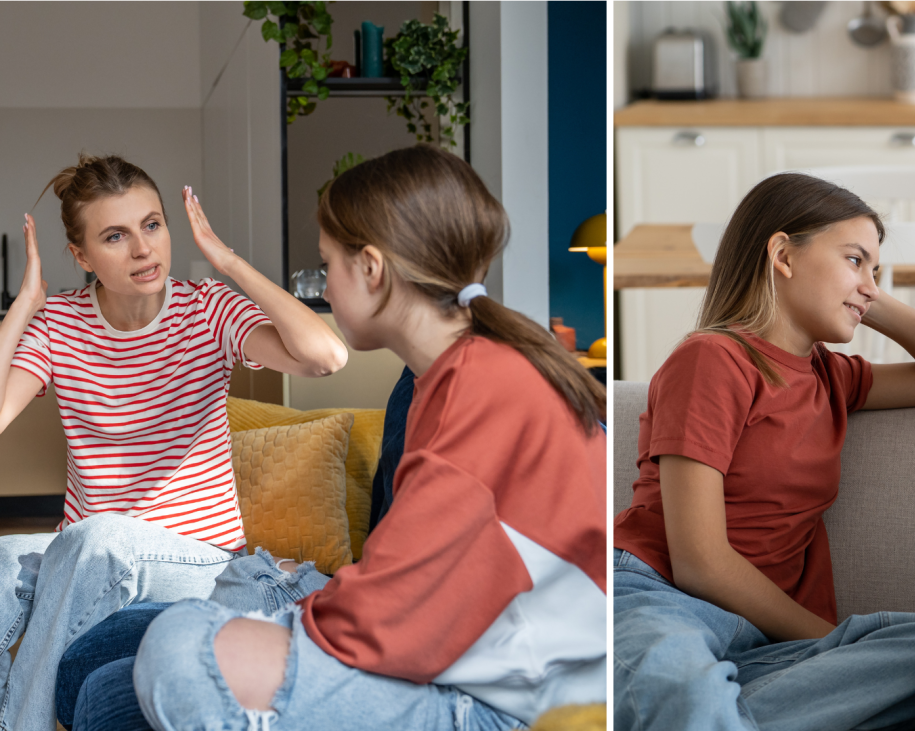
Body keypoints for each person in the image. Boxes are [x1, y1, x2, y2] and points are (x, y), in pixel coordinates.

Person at [131, 145, 608, 730]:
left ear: (373, 269)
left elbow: (391, 614)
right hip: (465, 652)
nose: (325, 288)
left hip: (504, 700)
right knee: (203, 612)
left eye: (327, 264)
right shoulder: (452, 374)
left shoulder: (483, 388)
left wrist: (282, 626)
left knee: (178, 645)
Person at [612, 172, 915, 731]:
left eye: (876, 268)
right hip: (661, 599)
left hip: (763, 646)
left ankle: (723, 709)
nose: (869, 281)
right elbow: (699, 562)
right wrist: (829, 640)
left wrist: (868, 295)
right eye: (854, 259)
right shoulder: (712, 360)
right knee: (677, 679)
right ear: (783, 254)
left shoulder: (832, 378)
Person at [0, 154, 347, 731]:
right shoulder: (58, 325)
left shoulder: (207, 308)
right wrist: (21, 310)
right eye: (115, 236)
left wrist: (228, 259)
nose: (143, 249)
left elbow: (326, 356)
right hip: (89, 555)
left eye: (153, 225)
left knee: (100, 539)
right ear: (82, 257)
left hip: (198, 559)